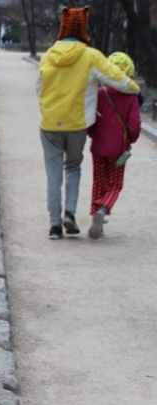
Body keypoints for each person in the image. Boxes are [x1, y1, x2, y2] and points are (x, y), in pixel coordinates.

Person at [37, 6, 140, 240]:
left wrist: (48, 110)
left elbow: (39, 89)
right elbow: (117, 79)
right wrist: (135, 89)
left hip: (50, 123)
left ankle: (54, 226)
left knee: (53, 174)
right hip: (77, 125)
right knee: (72, 167)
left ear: (62, 26)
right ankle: (69, 215)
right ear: (83, 26)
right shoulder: (90, 55)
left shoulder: (47, 55)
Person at [87, 52, 142, 239]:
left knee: (99, 182)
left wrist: (93, 134)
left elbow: (91, 117)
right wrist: (131, 140)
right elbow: (134, 125)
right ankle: (103, 209)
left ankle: (96, 214)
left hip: (99, 146)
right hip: (119, 149)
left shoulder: (101, 94)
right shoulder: (131, 97)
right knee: (115, 185)